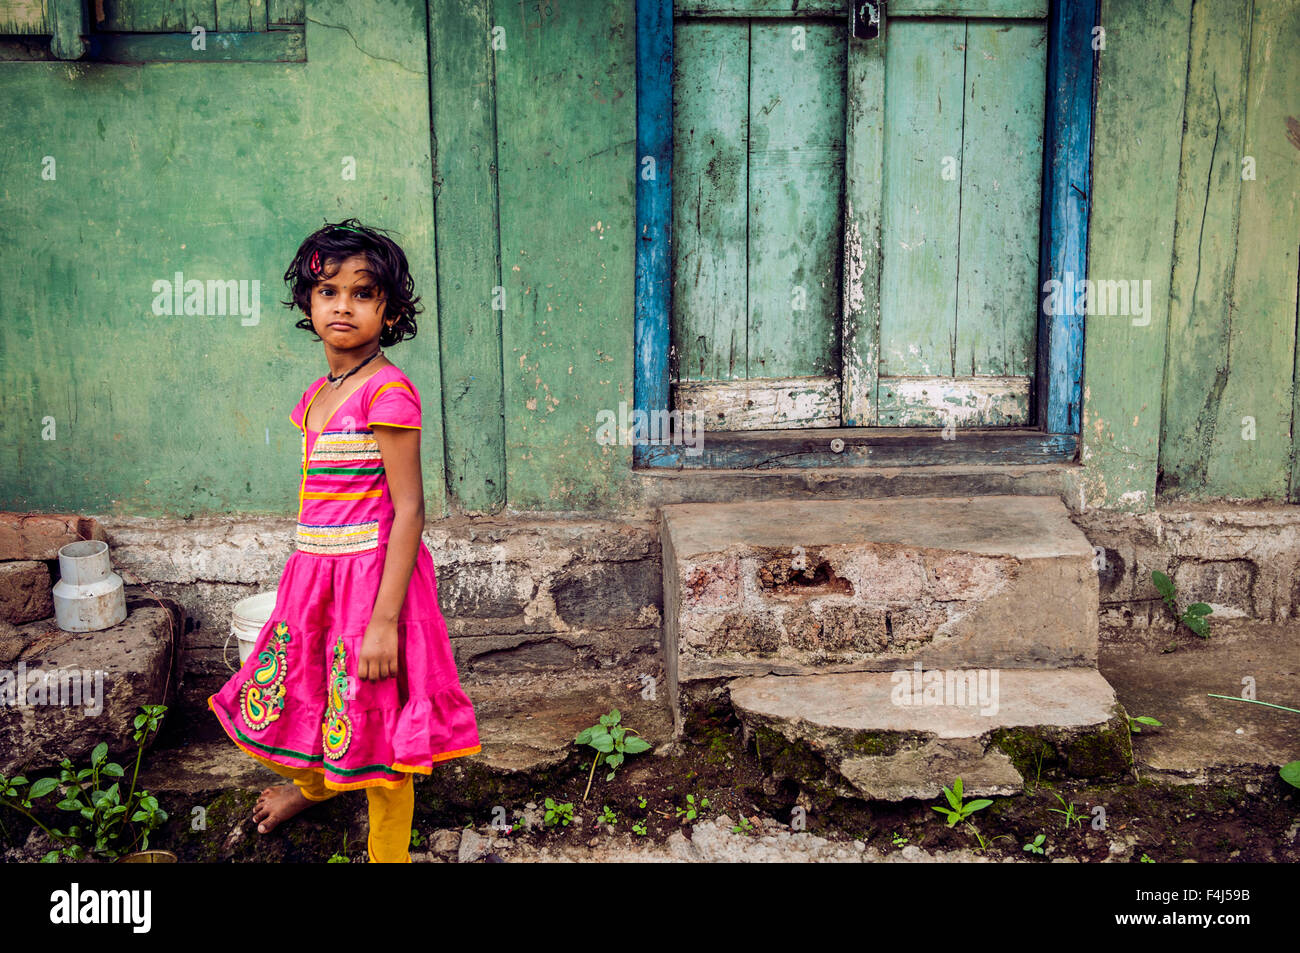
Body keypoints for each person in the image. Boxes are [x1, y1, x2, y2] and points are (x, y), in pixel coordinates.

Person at [208, 219, 481, 863]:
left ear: (388, 311)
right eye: (328, 290)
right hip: (316, 580)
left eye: (362, 294)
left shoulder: (389, 392)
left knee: (379, 734)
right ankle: (318, 787)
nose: (342, 305)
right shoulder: (315, 397)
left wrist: (384, 623)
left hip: (375, 586)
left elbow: (410, 510)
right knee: (288, 699)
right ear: (308, 303)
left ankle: (389, 855)